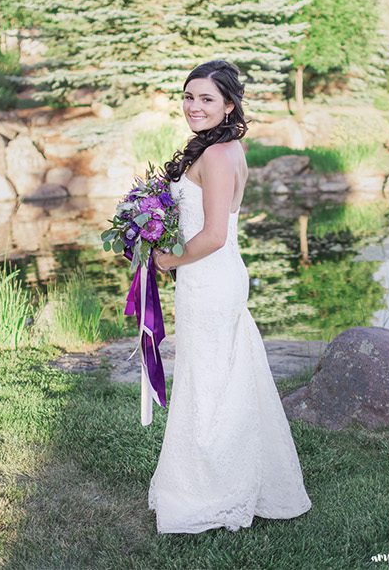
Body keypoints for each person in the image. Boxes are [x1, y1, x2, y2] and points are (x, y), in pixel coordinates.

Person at [148, 60, 312, 533]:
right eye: (188, 96)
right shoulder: (222, 146)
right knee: (222, 376)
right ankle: (233, 476)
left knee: (211, 384)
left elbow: (215, 234)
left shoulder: (218, 156)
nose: (193, 107)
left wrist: (166, 260)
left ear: (229, 105)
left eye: (206, 99)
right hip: (210, 277)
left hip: (210, 275)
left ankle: (216, 489)